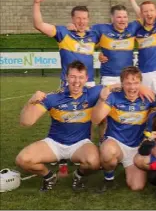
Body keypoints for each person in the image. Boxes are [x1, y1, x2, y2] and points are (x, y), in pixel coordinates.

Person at [15, 61, 102, 191]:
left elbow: (120, 86)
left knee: (94, 162)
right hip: (54, 143)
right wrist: (31, 101)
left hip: (80, 143)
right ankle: (49, 176)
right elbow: (26, 122)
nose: (76, 81)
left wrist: (141, 88)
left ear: (86, 78)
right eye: (72, 76)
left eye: (80, 77)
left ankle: (79, 175)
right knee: (23, 160)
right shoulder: (53, 97)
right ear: (66, 77)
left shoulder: (93, 93)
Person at [91, 66, 156, 192]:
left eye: (136, 83)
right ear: (122, 83)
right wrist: (102, 99)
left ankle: (129, 166)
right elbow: (96, 119)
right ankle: (109, 179)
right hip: (116, 143)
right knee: (107, 152)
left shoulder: (148, 97)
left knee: (137, 186)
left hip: (136, 147)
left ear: (141, 84)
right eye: (128, 83)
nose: (132, 87)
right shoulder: (114, 97)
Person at [32, 0, 99, 88]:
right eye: (78, 18)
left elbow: (110, 42)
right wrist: (36, 3)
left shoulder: (93, 35)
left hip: (89, 83)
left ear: (88, 19)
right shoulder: (63, 33)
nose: (81, 21)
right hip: (69, 83)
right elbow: (39, 25)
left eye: (84, 18)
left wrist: (103, 54)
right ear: (72, 19)